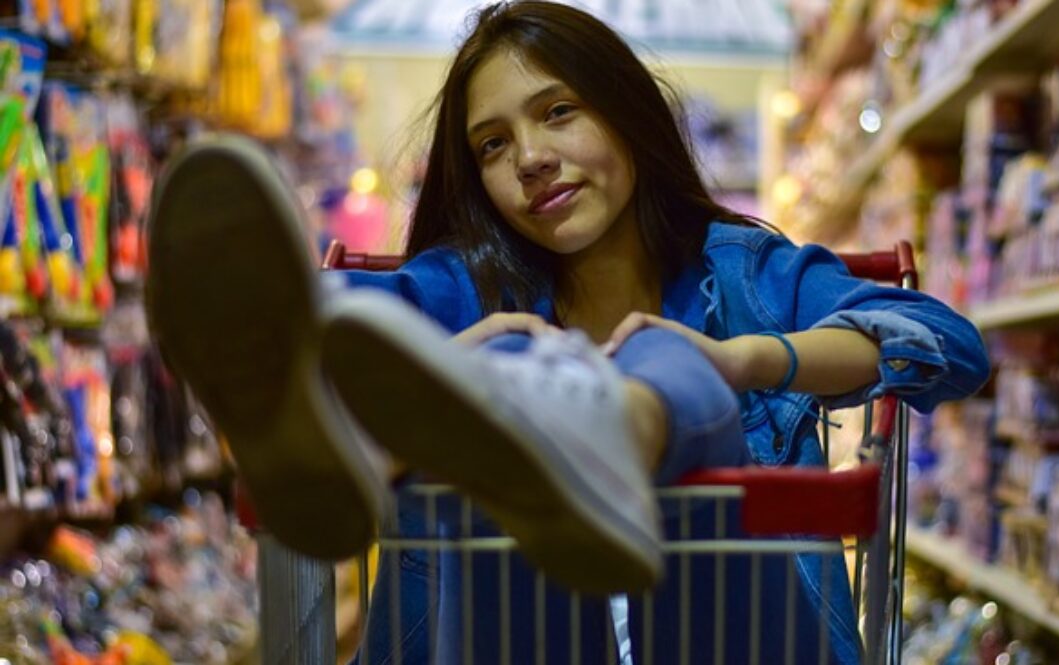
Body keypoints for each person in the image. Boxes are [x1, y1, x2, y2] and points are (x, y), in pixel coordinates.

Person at [145, 2, 989, 662]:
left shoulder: (741, 275)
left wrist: (745, 358)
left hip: (733, 644)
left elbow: (944, 343)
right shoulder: (467, 285)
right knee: (510, 357)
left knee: (656, 353)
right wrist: (449, 365)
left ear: (626, 114)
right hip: (505, 643)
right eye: (492, 144)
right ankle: (394, 434)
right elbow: (359, 316)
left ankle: (603, 422)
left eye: (558, 112)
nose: (531, 158)